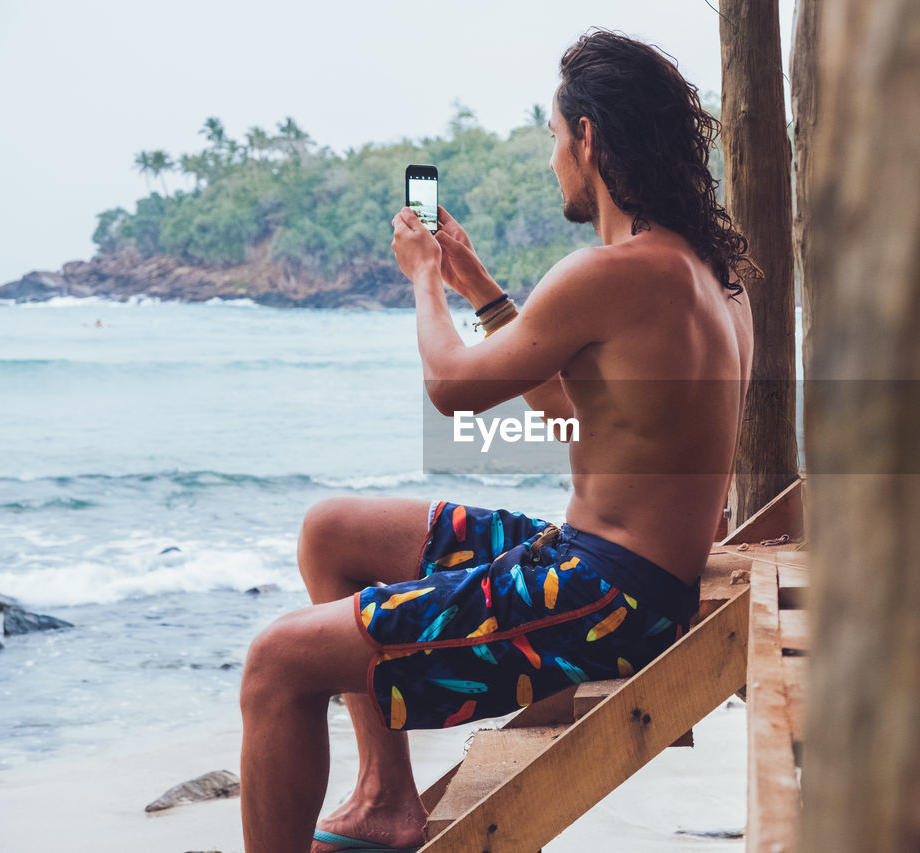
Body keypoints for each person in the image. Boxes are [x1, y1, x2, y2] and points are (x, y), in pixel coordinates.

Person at [239, 30, 756, 853]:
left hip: (603, 601)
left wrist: (419, 277)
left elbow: (450, 386)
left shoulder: (610, 273)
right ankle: (384, 794)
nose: (555, 158)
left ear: (589, 137)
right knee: (329, 531)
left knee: (275, 663)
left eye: (555, 137)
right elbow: (565, 409)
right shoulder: (711, 276)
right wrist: (474, 283)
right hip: (611, 569)